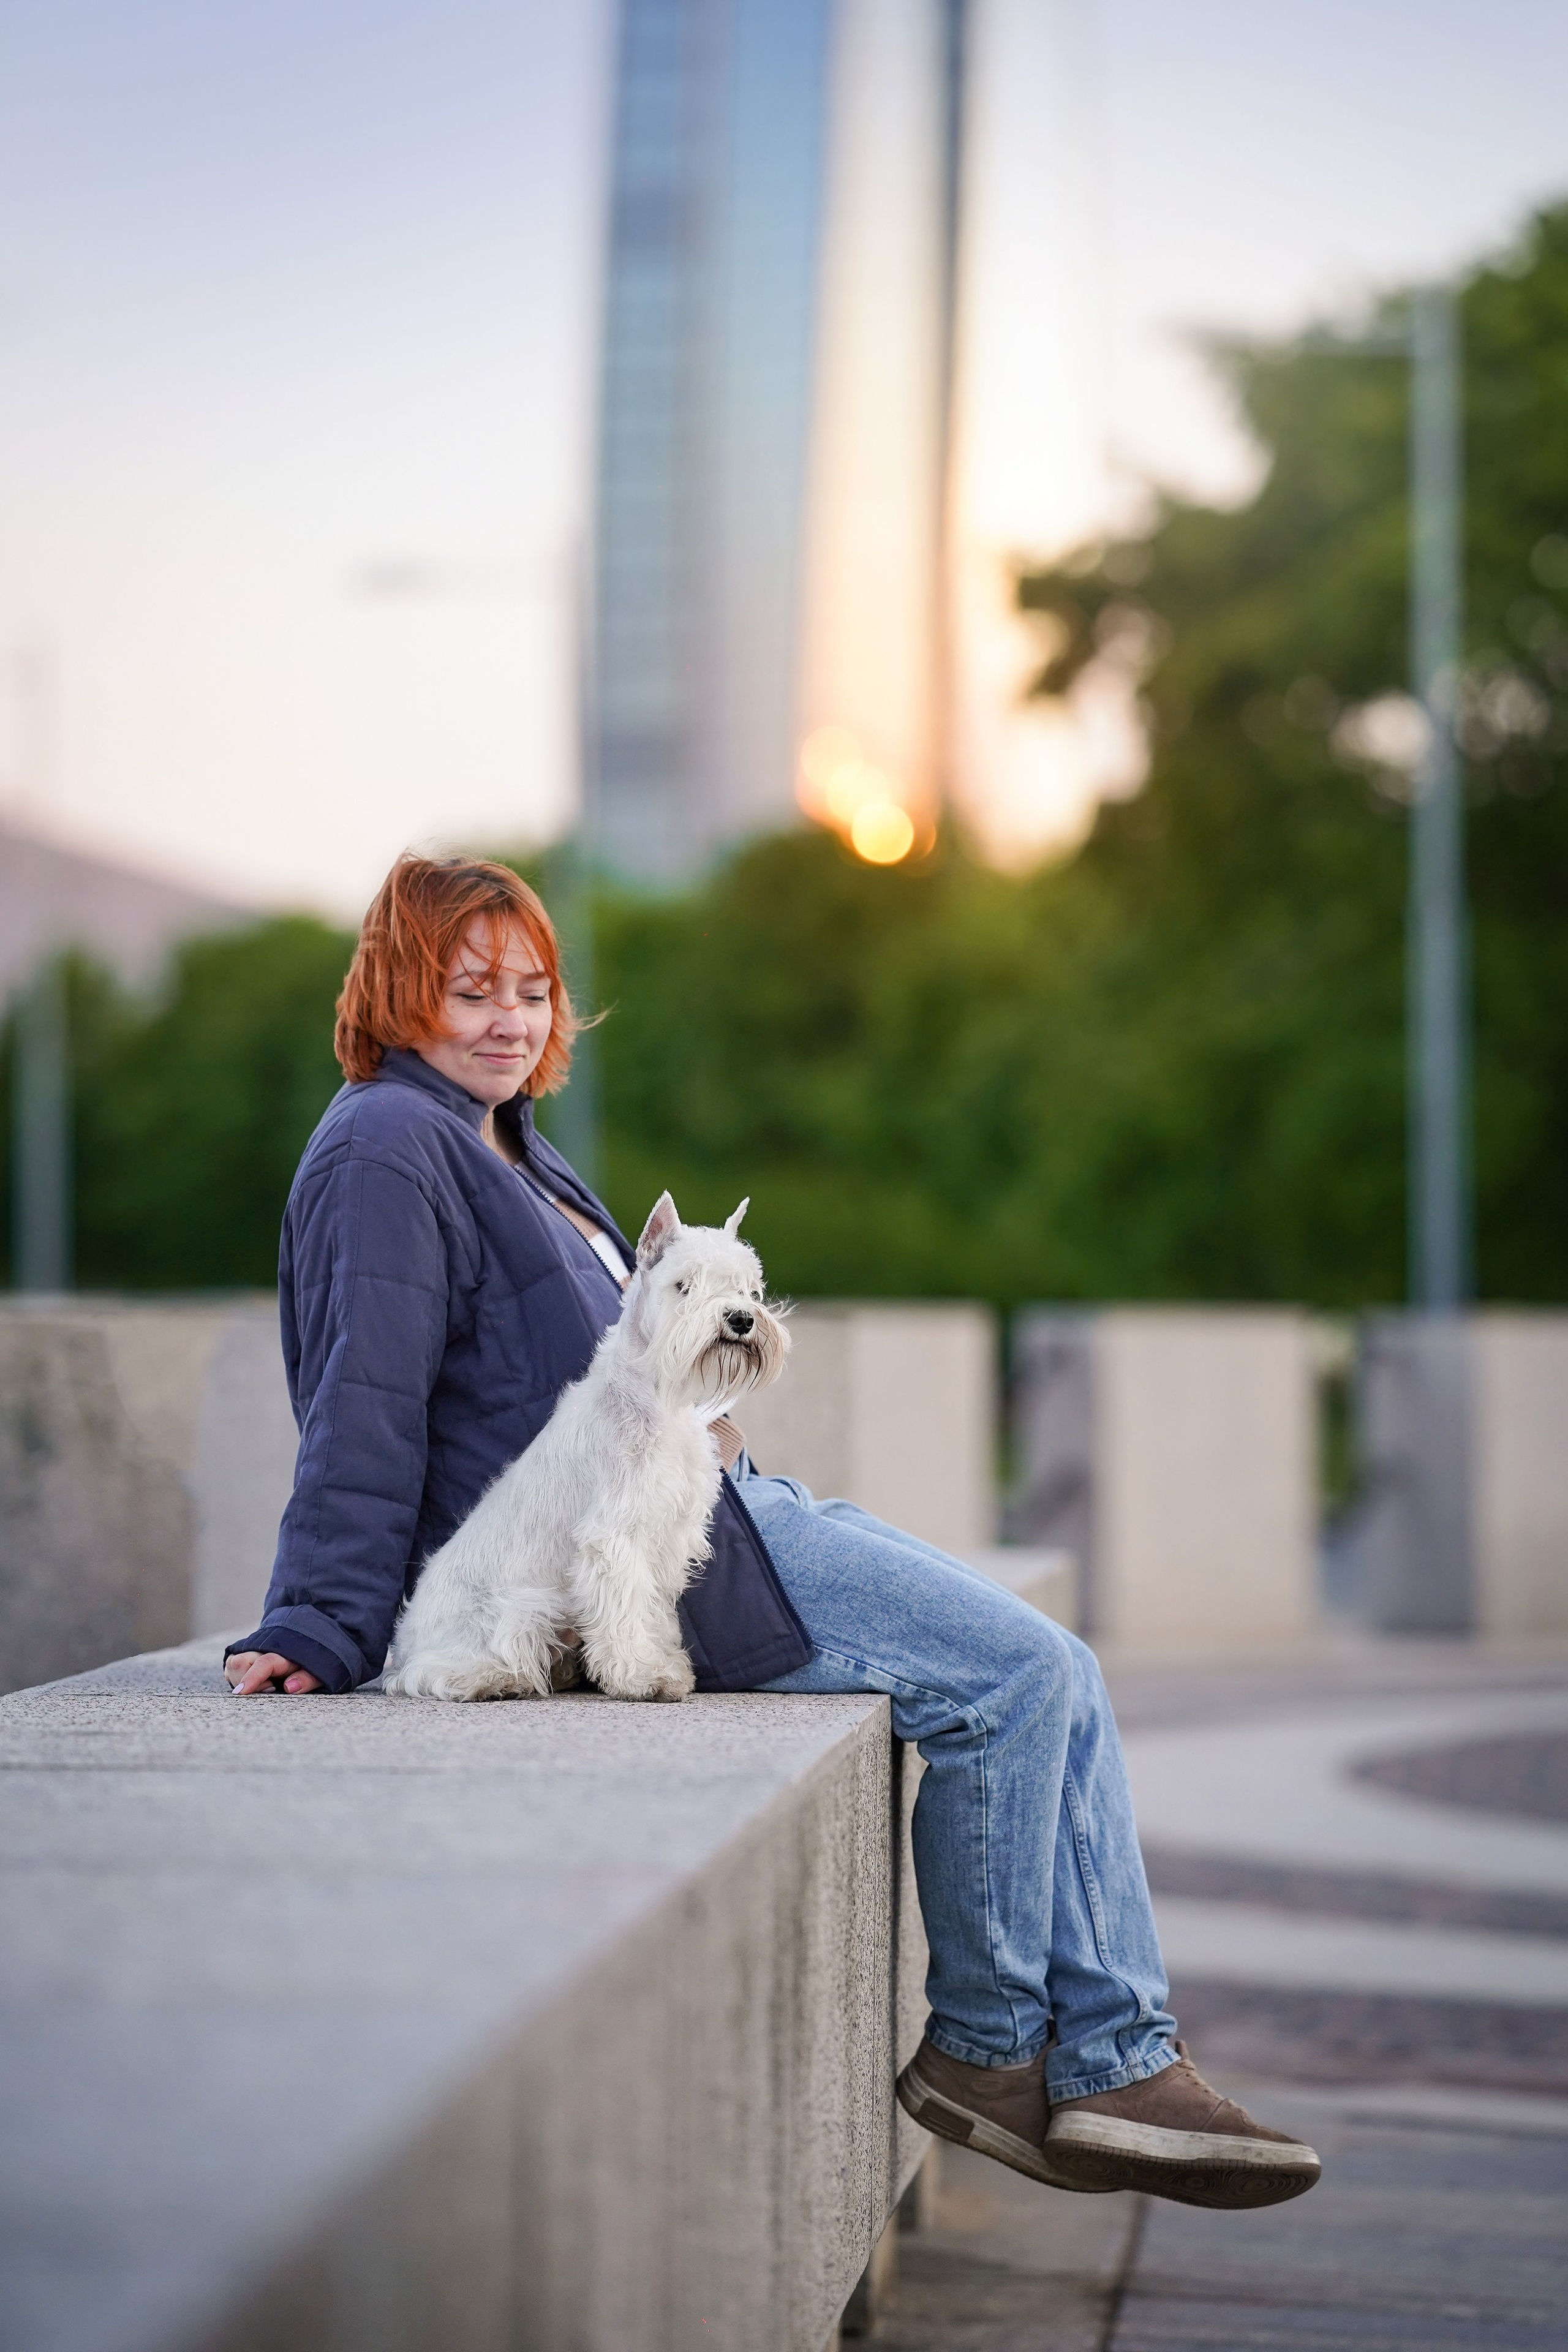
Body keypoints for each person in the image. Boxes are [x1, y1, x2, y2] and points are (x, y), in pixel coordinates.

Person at [227, 853, 1320, 2211]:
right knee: (1024, 1678)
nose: (509, 1021)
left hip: (724, 1507)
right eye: (469, 992)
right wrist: (318, 1623)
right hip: (671, 1568)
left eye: (532, 990)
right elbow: (365, 1398)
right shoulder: (391, 1145)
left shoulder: (498, 1139)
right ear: (397, 991)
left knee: (1057, 1674)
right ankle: (1002, 2056)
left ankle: (1107, 2057)